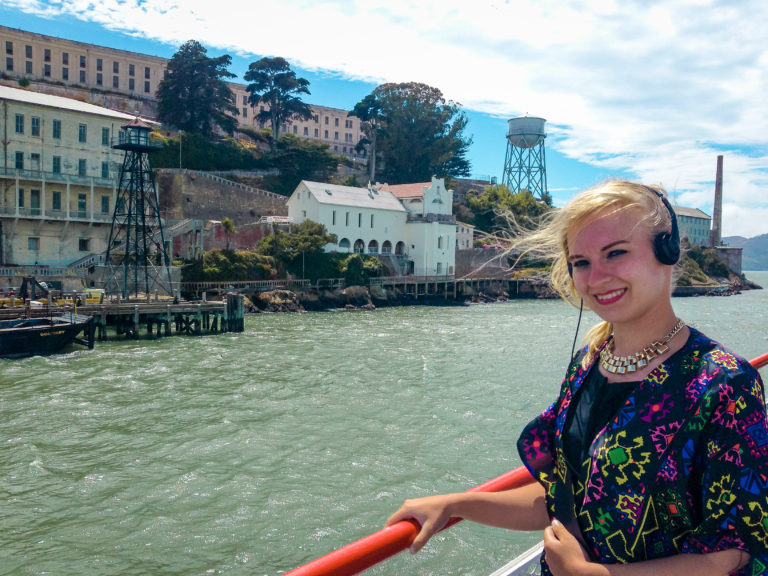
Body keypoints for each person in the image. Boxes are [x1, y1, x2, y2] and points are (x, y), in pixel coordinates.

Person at [386, 180, 768, 575]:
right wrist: (455, 504)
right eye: (581, 262)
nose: (595, 277)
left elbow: (733, 552)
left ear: (667, 251)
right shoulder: (589, 363)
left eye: (615, 253)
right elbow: (564, 497)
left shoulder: (724, 384)